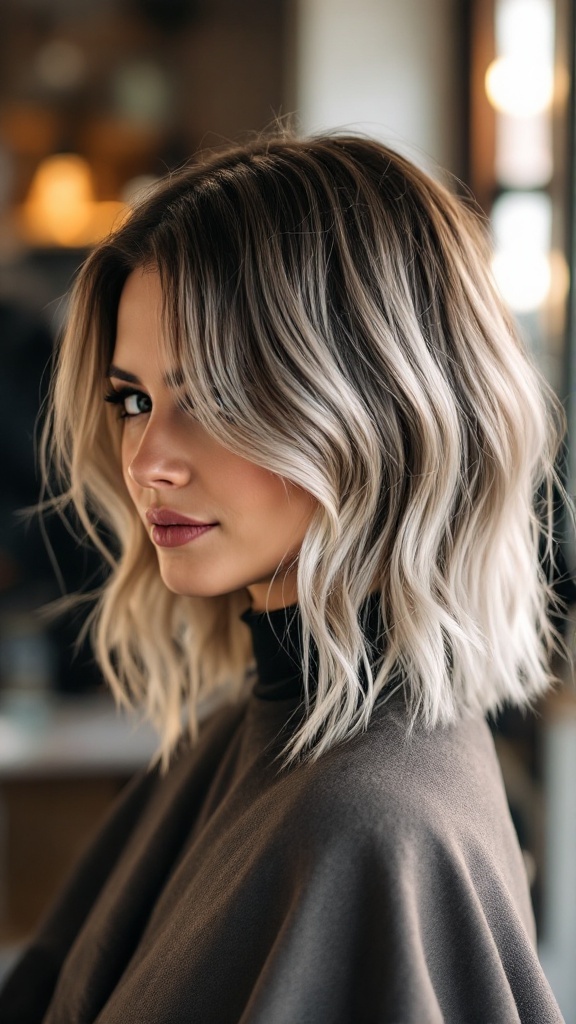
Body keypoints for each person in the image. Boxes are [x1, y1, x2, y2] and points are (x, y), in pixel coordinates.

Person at [0, 131, 571, 1023]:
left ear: (376, 409)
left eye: (215, 398)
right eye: (135, 399)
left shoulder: (369, 831)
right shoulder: (248, 734)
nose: (148, 459)